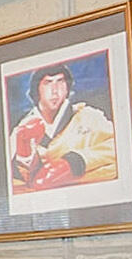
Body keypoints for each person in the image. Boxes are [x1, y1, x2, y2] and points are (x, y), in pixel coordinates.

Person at [8, 64, 116, 195]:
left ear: (67, 89)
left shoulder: (88, 116)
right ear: (37, 90)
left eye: (60, 82)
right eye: (48, 83)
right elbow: (16, 183)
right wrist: (24, 154)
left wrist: (74, 163)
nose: (55, 90)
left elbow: (117, 149)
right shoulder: (21, 129)